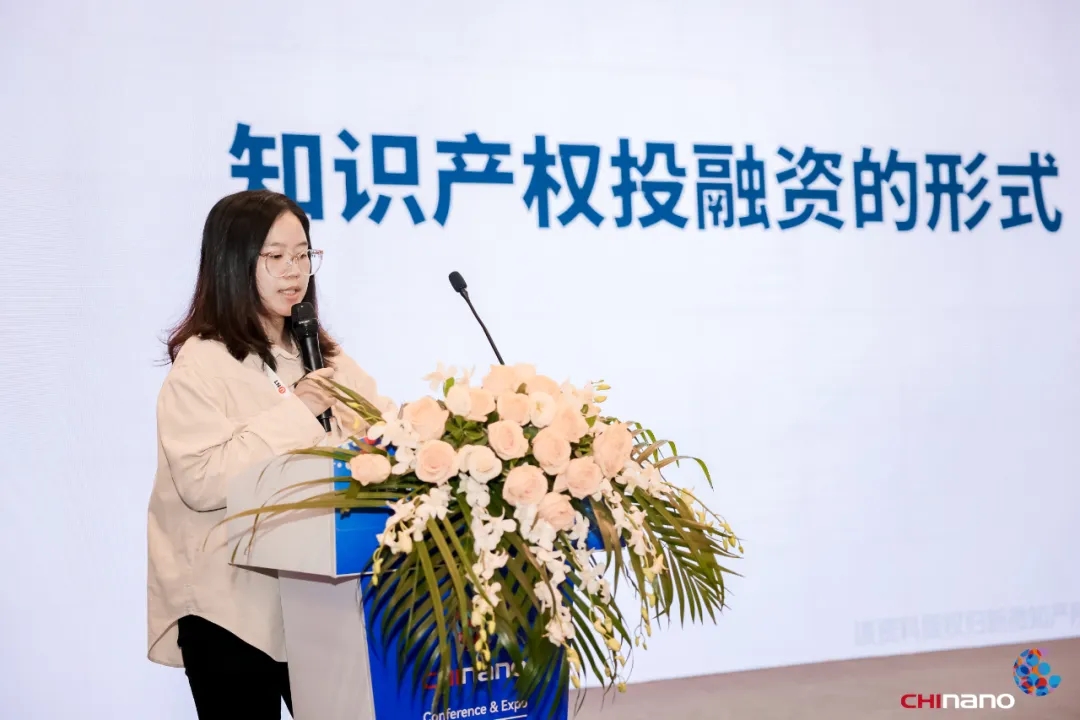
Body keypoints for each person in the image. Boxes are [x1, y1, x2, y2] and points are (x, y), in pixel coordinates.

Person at [146, 189, 392, 719]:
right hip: (231, 612)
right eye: (275, 256)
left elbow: (386, 432)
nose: (294, 270)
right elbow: (202, 481)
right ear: (233, 264)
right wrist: (297, 411)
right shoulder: (202, 363)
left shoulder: (322, 353)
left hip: (320, 603)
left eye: (303, 254)